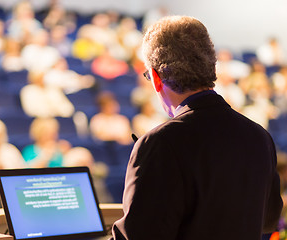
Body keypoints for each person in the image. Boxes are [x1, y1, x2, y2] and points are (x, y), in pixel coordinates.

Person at [110, 16, 282, 240]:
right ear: (211, 67)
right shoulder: (260, 137)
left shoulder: (161, 143)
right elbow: (268, 220)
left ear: (155, 78)